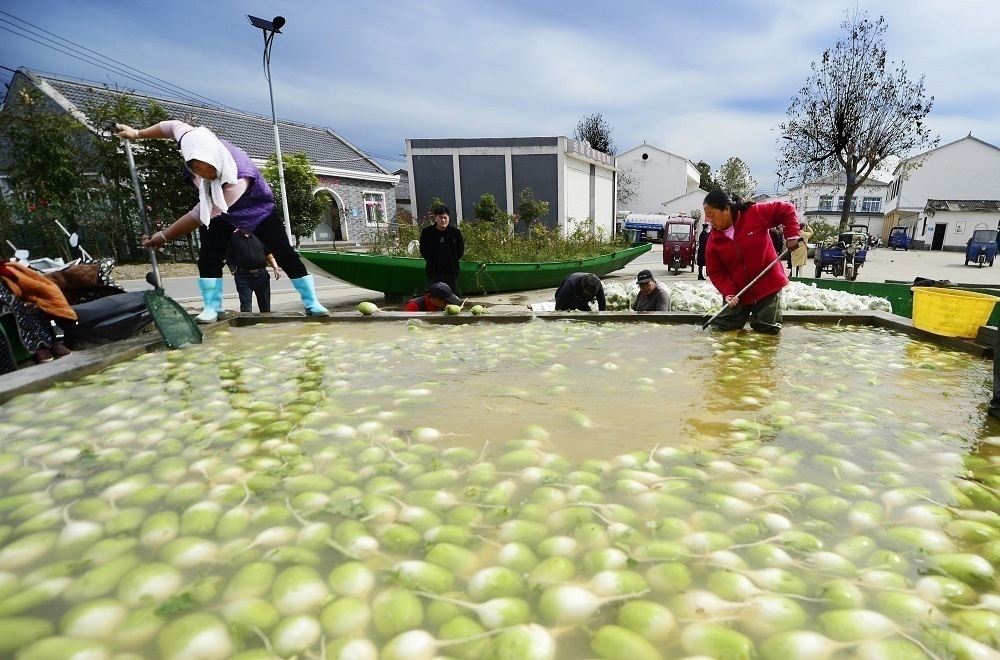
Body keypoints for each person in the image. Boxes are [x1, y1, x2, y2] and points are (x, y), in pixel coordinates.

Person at [113, 120, 328, 323]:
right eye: (197, 170)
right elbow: (170, 126)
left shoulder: (239, 176)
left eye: (209, 169)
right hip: (215, 206)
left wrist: (163, 236)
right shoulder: (191, 138)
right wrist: (137, 134)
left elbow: (197, 216)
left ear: (218, 160)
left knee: (284, 252)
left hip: (256, 208)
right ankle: (212, 307)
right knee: (209, 255)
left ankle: (312, 302)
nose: (204, 174)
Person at [703, 189, 801, 334]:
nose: (710, 221)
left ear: (727, 209)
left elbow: (786, 209)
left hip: (768, 284)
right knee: (722, 329)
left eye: (712, 216)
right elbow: (716, 272)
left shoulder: (753, 214)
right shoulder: (713, 242)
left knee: (766, 331)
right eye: (707, 217)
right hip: (739, 292)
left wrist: (792, 235)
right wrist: (728, 293)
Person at [226, 229, 281, 313]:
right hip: (243, 277)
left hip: (261, 276)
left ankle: (266, 324)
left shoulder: (260, 235)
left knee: (265, 305)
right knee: (246, 306)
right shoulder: (233, 238)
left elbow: (268, 253)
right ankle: (247, 324)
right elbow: (229, 256)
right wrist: (233, 271)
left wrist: (275, 268)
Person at [419, 203, 464, 294]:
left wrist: (453, 260)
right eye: (440, 217)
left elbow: (460, 251)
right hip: (434, 272)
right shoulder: (427, 233)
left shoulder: (455, 233)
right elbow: (423, 250)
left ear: (449, 217)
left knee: (450, 298)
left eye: (445, 218)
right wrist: (431, 260)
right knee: (435, 297)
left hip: (451, 272)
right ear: (435, 217)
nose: (443, 220)